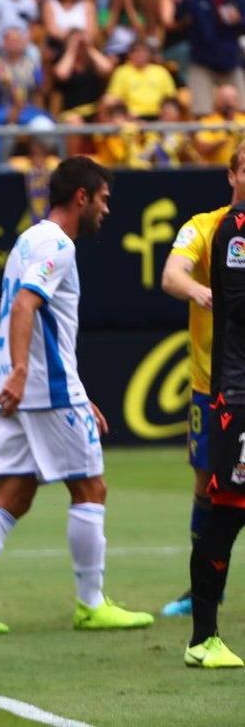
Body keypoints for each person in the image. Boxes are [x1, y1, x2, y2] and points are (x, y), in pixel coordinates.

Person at [0, 156, 156, 634]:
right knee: (90, 486)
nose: (105, 209)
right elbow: (26, 304)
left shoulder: (29, 239)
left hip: (25, 386)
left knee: (15, 493)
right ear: (81, 197)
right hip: (40, 388)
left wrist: (36, 380)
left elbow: (41, 323)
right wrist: (24, 372)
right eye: (102, 199)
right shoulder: (57, 245)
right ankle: (91, 602)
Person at [159, 141, 245, 617]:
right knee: (207, 485)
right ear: (231, 175)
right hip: (214, 385)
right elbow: (172, 275)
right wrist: (202, 291)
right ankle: (204, 588)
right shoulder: (205, 226)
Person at [184, 190, 245, 668]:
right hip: (239, 398)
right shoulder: (236, 230)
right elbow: (238, 307)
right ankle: (203, 638)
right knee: (227, 513)